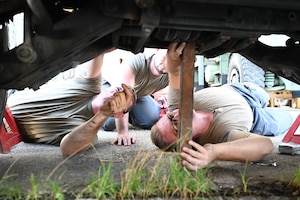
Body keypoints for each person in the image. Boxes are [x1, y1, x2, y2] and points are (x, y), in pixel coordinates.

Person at [151, 42, 294, 171]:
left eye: (170, 116)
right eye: (176, 126)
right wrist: (214, 152)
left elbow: (174, 71)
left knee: (265, 91)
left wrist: (173, 58)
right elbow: (265, 145)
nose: (176, 115)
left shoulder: (178, 105)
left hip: (245, 90)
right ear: (189, 143)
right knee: (288, 119)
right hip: (259, 119)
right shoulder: (220, 137)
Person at [7, 51, 137, 156]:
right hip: (6, 98)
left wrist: (103, 114)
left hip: (7, 130)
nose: (117, 95)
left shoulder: (87, 132)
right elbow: (97, 50)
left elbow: (68, 149)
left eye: (123, 99)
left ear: (119, 115)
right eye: (120, 89)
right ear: (110, 87)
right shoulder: (89, 85)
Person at [101, 48, 169, 146]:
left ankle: (129, 112)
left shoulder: (173, 72)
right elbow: (123, 95)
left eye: (172, 60)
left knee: (151, 119)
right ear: (157, 50)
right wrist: (123, 132)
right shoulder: (137, 60)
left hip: (137, 94)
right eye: (165, 56)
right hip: (113, 87)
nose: (166, 63)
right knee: (110, 123)